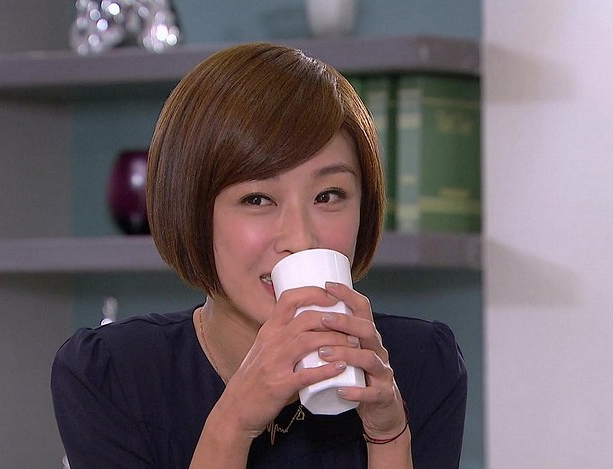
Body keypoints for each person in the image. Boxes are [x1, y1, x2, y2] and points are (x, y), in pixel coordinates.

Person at [51, 42, 467, 468]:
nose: (301, 239)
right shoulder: (111, 375)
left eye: (328, 195)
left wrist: (389, 435)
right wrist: (233, 422)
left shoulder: (421, 364)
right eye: (257, 199)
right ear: (192, 211)